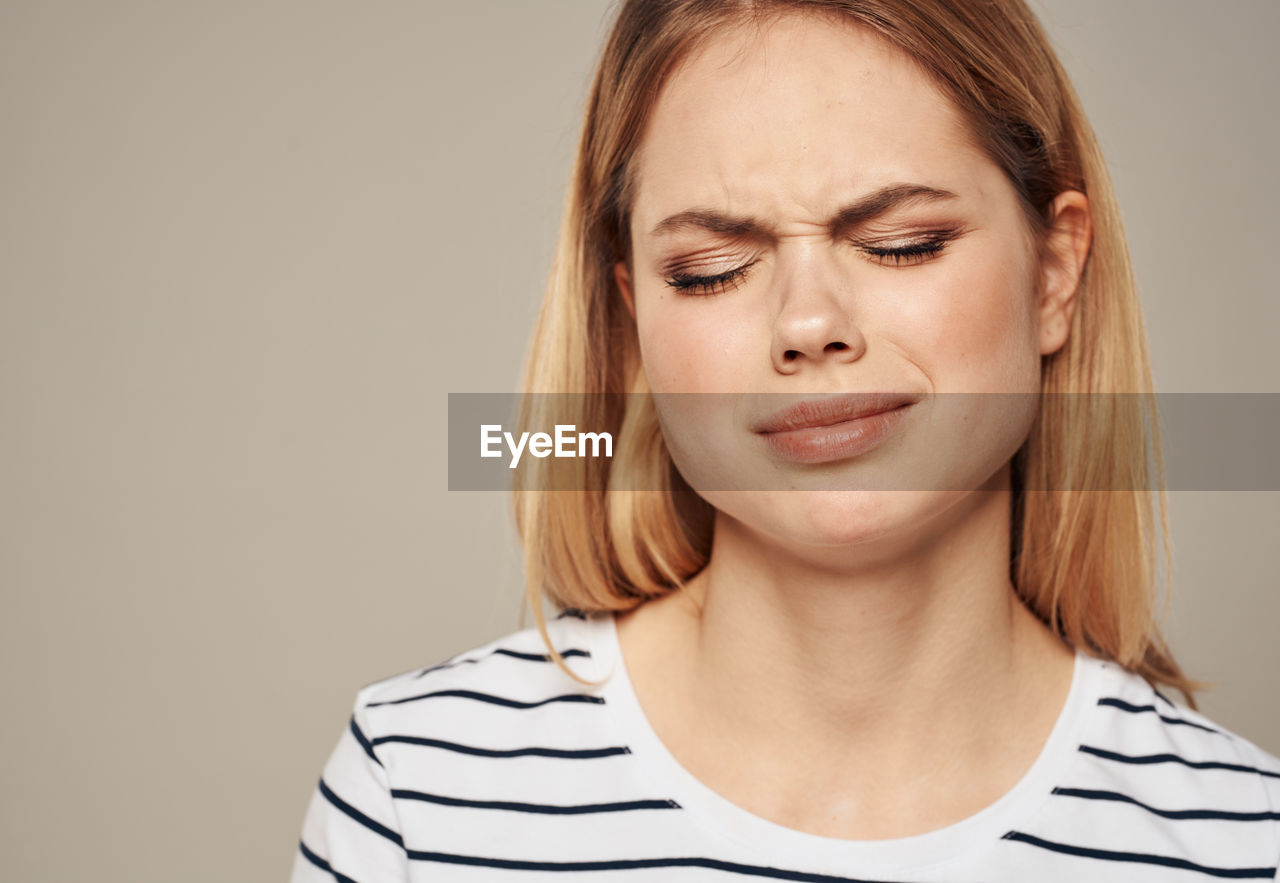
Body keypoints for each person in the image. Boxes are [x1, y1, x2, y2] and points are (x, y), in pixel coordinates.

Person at [290, 1, 1280, 880]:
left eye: (901, 244)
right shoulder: (415, 791)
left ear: (1053, 274)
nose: (808, 323)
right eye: (712, 269)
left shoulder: (1245, 841)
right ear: (634, 320)